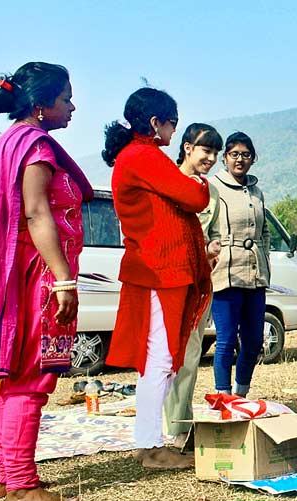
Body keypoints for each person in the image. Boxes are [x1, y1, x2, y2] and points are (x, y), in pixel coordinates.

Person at [0, 62, 92, 501]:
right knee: (31, 378)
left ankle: (7, 476)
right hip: (37, 277)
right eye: (66, 97)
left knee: (14, 379)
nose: (71, 106)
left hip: (23, 274)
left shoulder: (8, 143)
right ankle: (23, 487)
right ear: (41, 104)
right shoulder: (34, 147)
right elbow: (35, 214)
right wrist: (63, 278)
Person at [103, 88, 212, 470]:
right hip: (160, 270)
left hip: (161, 269)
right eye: (172, 124)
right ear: (155, 123)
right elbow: (195, 198)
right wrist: (200, 184)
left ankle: (152, 441)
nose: (173, 131)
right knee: (161, 358)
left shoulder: (139, 156)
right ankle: (151, 446)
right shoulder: (143, 156)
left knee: (161, 358)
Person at [163, 123, 224, 447]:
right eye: (206, 150)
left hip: (199, 283)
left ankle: (179, 426)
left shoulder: (211, 191)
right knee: (165, 355)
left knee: (190, 354)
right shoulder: (166, 180)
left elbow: (213, 234)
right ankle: (168, 427)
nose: (211, 157)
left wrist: (212, 248)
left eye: (215, 152)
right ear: (187, 148)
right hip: (167, 281)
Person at [205, 132, 270, 397]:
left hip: (255, 274)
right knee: (226, 340)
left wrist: (264, 259)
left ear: (253, 159)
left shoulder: (257, 191)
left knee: (254, 342)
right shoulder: (213, 187)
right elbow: (204, 224)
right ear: (225, 158)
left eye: (245, 154)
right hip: (225, 273)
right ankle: (223, 398)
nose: (240, 160)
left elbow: (264, 231)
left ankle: (240, 396)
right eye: (234, 154)